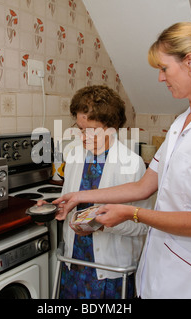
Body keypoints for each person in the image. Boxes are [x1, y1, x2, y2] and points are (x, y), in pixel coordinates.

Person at [54, 22, 191, 299]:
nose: (160, 78)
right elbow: (143, 187)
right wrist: (78, 196)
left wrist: (131, 213)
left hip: (189, 276)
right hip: (158, 265)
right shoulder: (181, 122)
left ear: (190, 63)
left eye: (164, 68)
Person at [52, 85, 149, 299]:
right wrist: (52, 210)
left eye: (90, 130)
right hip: (74, 265)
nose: (83, 136)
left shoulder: (132, 165)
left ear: (111, 127)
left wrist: (100, 226)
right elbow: (72, 204)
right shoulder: (75, 157)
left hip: (109, 273)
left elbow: (142, 226)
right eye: (80, 129)